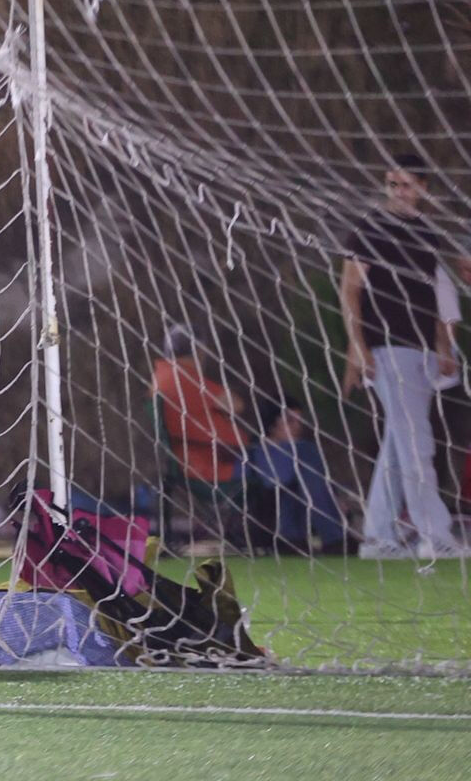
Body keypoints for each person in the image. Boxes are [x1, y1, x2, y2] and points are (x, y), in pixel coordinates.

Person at [341, 155, 471, 559]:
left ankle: (378, 537)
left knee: (400, 445)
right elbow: (349, 290)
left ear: (423, 187)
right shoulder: (370, 228)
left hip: (420, 348)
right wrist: (359, 348)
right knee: (418, 443)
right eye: (392, 184)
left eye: (406, 185)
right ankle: (437, 535)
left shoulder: (426, 234)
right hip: (387, 347)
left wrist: (442, 344)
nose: (399, 192)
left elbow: (430, 291)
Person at [246, 405, 352, 556]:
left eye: (299, 422)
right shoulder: (259, 450)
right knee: (305, 452)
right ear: (272, 425)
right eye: (290, 421)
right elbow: (277, 479)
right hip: (265, 507)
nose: (298, 427)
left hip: (295, 514)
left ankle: (306, 539)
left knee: (303, 469)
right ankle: (334, 538)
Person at [150, 325, 249, 486]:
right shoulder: (185, 379)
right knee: (299, 456)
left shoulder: (161, 376)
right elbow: (236, 405)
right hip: (219, 465)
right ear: (198, 351)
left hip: (198, 461)